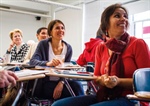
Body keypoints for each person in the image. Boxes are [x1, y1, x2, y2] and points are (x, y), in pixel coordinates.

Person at [52, 3, 150, 106]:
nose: (123, 19)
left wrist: (118, 81)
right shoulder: (101, 47)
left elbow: (147, 82)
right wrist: (103, 80)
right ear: (106, 24)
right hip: (105, 96)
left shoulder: (137, 44)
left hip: (132, 99)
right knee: (58, 105)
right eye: (117, 16)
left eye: (125, 16)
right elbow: (96, 78)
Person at [30, 19, 84, 101]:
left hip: (63, 80)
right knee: (70, 93)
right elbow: (32, 61)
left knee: (78, 85)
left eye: (62, 28)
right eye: (57, 28)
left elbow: (67, 69)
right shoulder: (43, 44)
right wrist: (48, 63)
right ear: (50, 32)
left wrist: (61, 82)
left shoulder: (68, 47)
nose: (61, 30)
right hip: (46, 82)